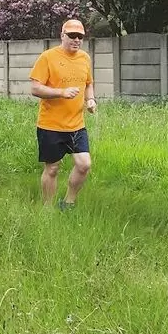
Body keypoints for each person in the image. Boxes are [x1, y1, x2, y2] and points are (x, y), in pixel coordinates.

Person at [29, 19, 97, 210]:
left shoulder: (85, 58)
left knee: (84, 165)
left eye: (80, 36)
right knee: (52, 168)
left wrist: (90, 100)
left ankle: (68, 203)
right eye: (72, 35)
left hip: (76, 125)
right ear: (62, 36)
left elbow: (88, 83)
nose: (76, 39)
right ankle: (48, 208)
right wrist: (61, 92)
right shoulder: (48, 57)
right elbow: (35, 88)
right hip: (50, 125)